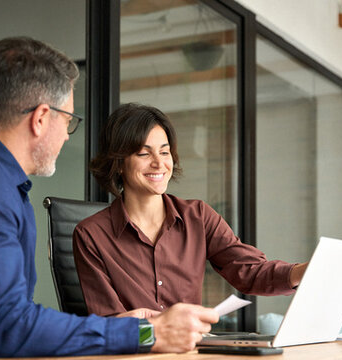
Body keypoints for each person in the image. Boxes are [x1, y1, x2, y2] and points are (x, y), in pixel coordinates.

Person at [0, 37, 217, 358]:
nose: (66, 134)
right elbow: (7, 327)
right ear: (40, 118)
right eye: (68, 121)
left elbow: (9, 315)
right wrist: (146, 332)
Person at [72, 103, 308, 317]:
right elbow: (107, 322)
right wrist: (156, 329)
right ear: (119, 163)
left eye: (164, 152)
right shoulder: (91, 235)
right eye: (144, 153)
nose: (159, 163)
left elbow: (249, 271)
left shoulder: (198, 216)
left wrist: (304, 271)